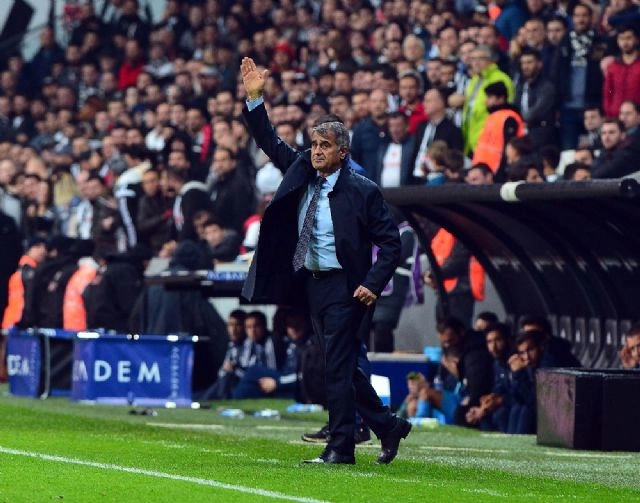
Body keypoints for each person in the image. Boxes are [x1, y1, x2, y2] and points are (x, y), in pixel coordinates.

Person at [239, 57, 411, 465]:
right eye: (314, 145)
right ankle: (387, 425)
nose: (316, 152)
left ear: (343, 152)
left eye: (325, 146)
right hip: (312, 282)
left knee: (336, 366)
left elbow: (391, 244)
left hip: (347, 287)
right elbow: (269, 141)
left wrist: (372, 283)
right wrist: (255, 99)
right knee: (341, 365)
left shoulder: (363, 190)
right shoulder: (302, 170)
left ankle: (341, 447)